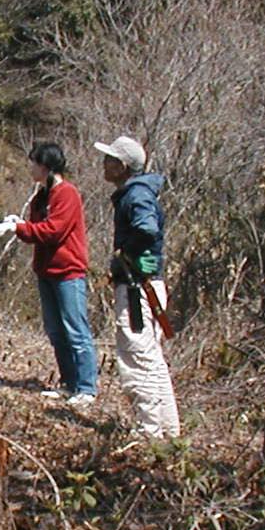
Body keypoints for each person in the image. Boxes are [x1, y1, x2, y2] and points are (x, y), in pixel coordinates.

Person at [0, 142, 99, 407]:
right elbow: (35, 232)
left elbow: (53, 231)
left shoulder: (67, 194)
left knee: (76, 330)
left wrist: (20, 228)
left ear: (46, 166)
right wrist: (20, 224)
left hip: (68, 272)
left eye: (34, 163)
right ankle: (68, 384)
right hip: (46, 271)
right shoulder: (41, 196)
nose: (30, 167)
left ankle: (86, 387)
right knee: (56, 331)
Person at [97, 134, 180, 438]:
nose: (104, 164)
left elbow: (146, 228)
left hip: (137, 288)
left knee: (137, 356)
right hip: (145, 286)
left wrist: (125, 254)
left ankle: (149, 430)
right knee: (151, 357)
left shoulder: (136, 196)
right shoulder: (137, 193)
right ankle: (167, 428)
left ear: (122, 166)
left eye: (109, 159)